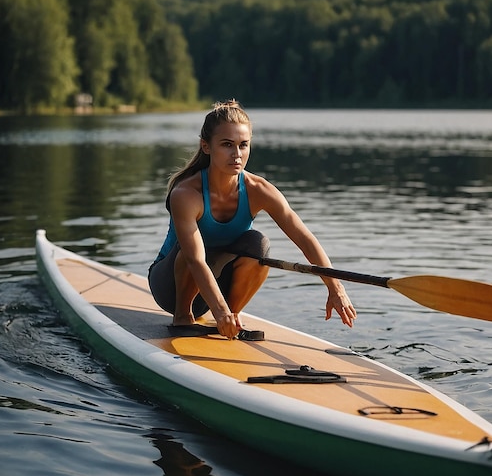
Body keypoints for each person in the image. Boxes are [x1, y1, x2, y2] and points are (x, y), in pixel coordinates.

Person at [149, 99, 356, 339]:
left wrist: (335, 288)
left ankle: (232, 318)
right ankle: (183, 317)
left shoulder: (259, 189)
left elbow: (304, 238)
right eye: (227, 145)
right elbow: (195, 261)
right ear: (206, 146)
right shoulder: (186, 194)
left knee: (258, 244)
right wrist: (218, 309)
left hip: (216, 287)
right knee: (192, 251)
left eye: (243, 145)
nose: (236, 154)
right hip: (170, 288)